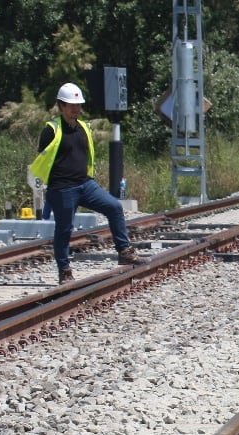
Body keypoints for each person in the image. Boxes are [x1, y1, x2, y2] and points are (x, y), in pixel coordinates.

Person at [30, 83, 144, 284]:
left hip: (85, 184)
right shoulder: (51, 130)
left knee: (114, 207)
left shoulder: (83, 127)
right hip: (62, 188)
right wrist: (48, 189)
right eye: (71, 105)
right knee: (64, 229)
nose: (76, 108)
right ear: (61, 106)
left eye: (78, 105)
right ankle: (64, 271)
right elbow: (43, 159)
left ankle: (124, 251)